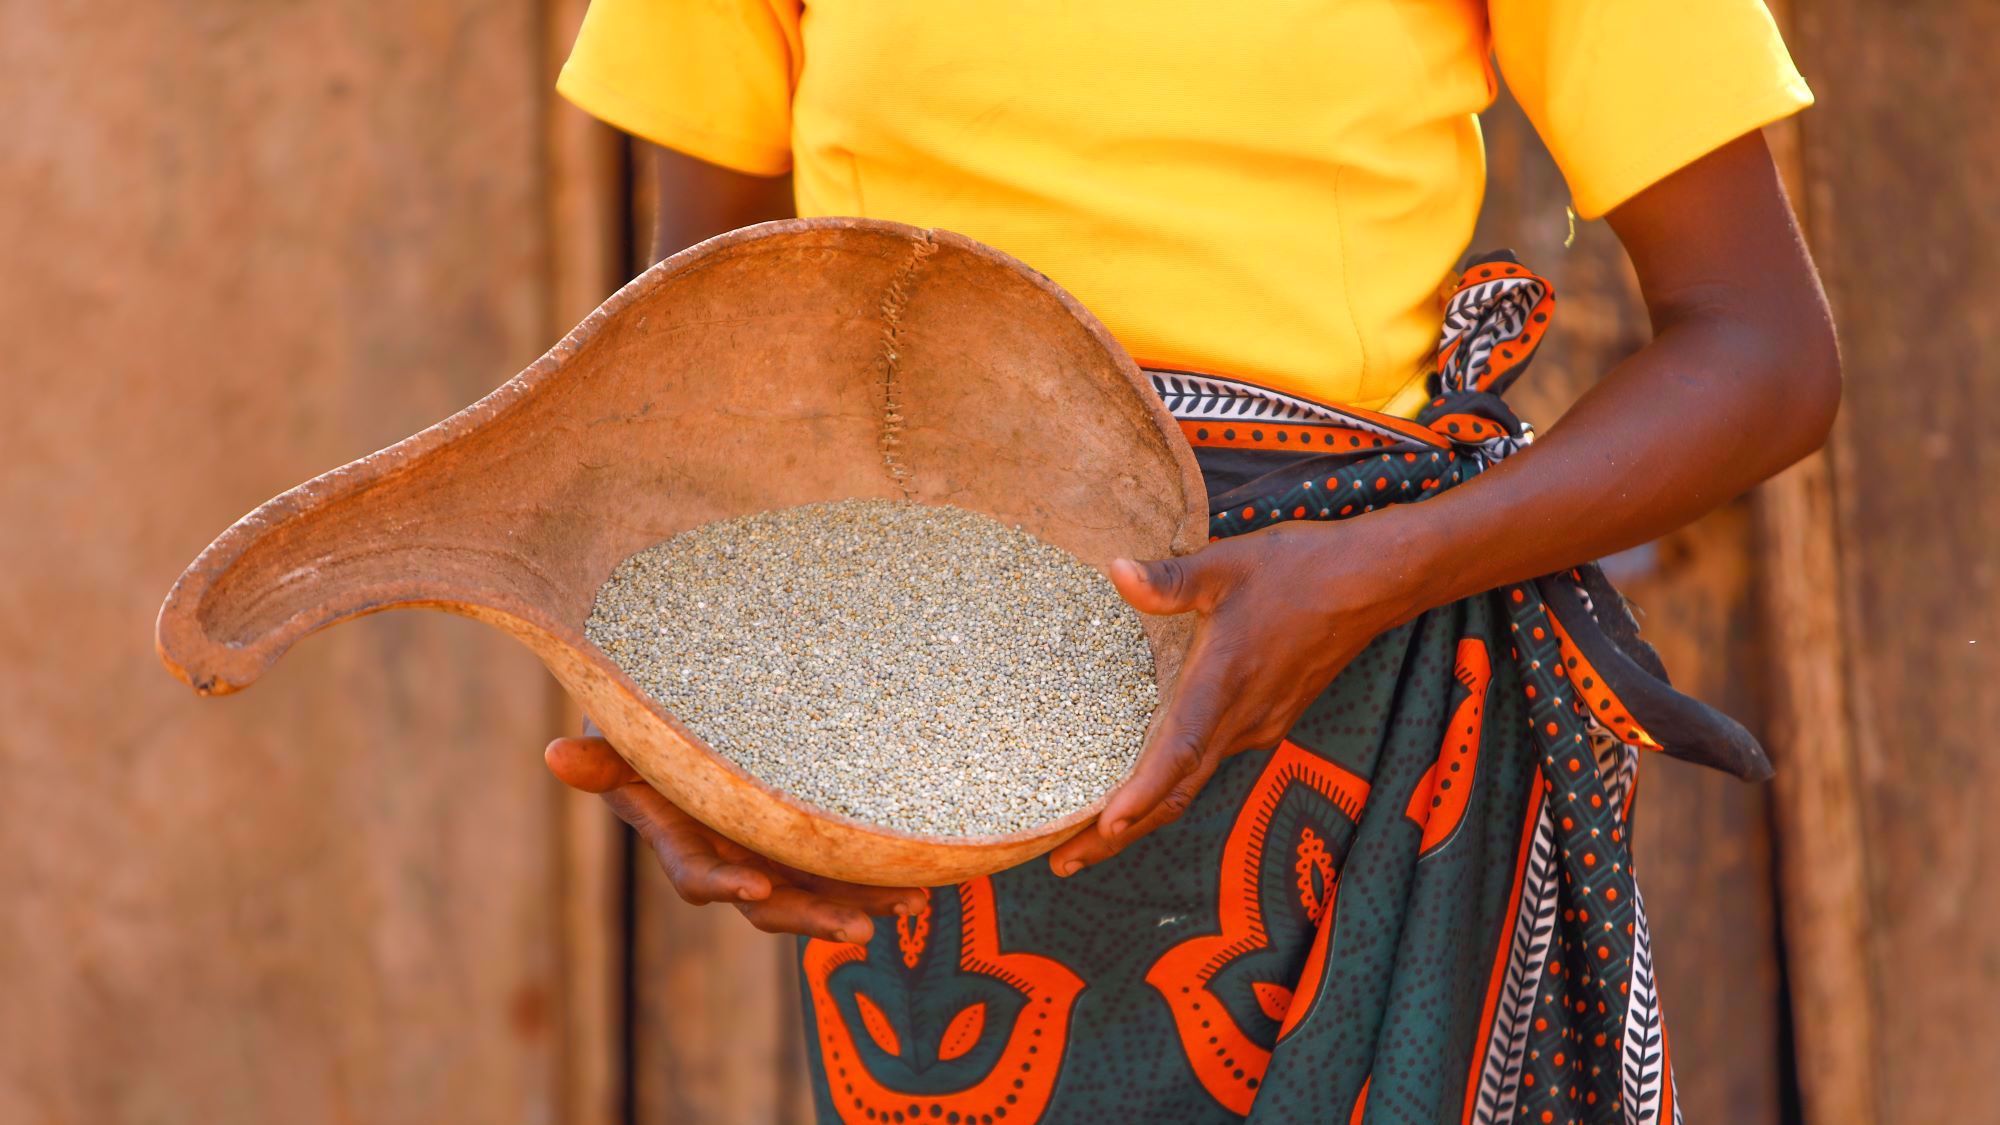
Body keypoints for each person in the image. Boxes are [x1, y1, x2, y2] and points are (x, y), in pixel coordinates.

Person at [543, 3, 1837, 1120]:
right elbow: (708, 363)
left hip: (1357, 737)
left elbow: (1764, 351)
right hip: (936, 784)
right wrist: (693, 728)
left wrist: (1380, 570)